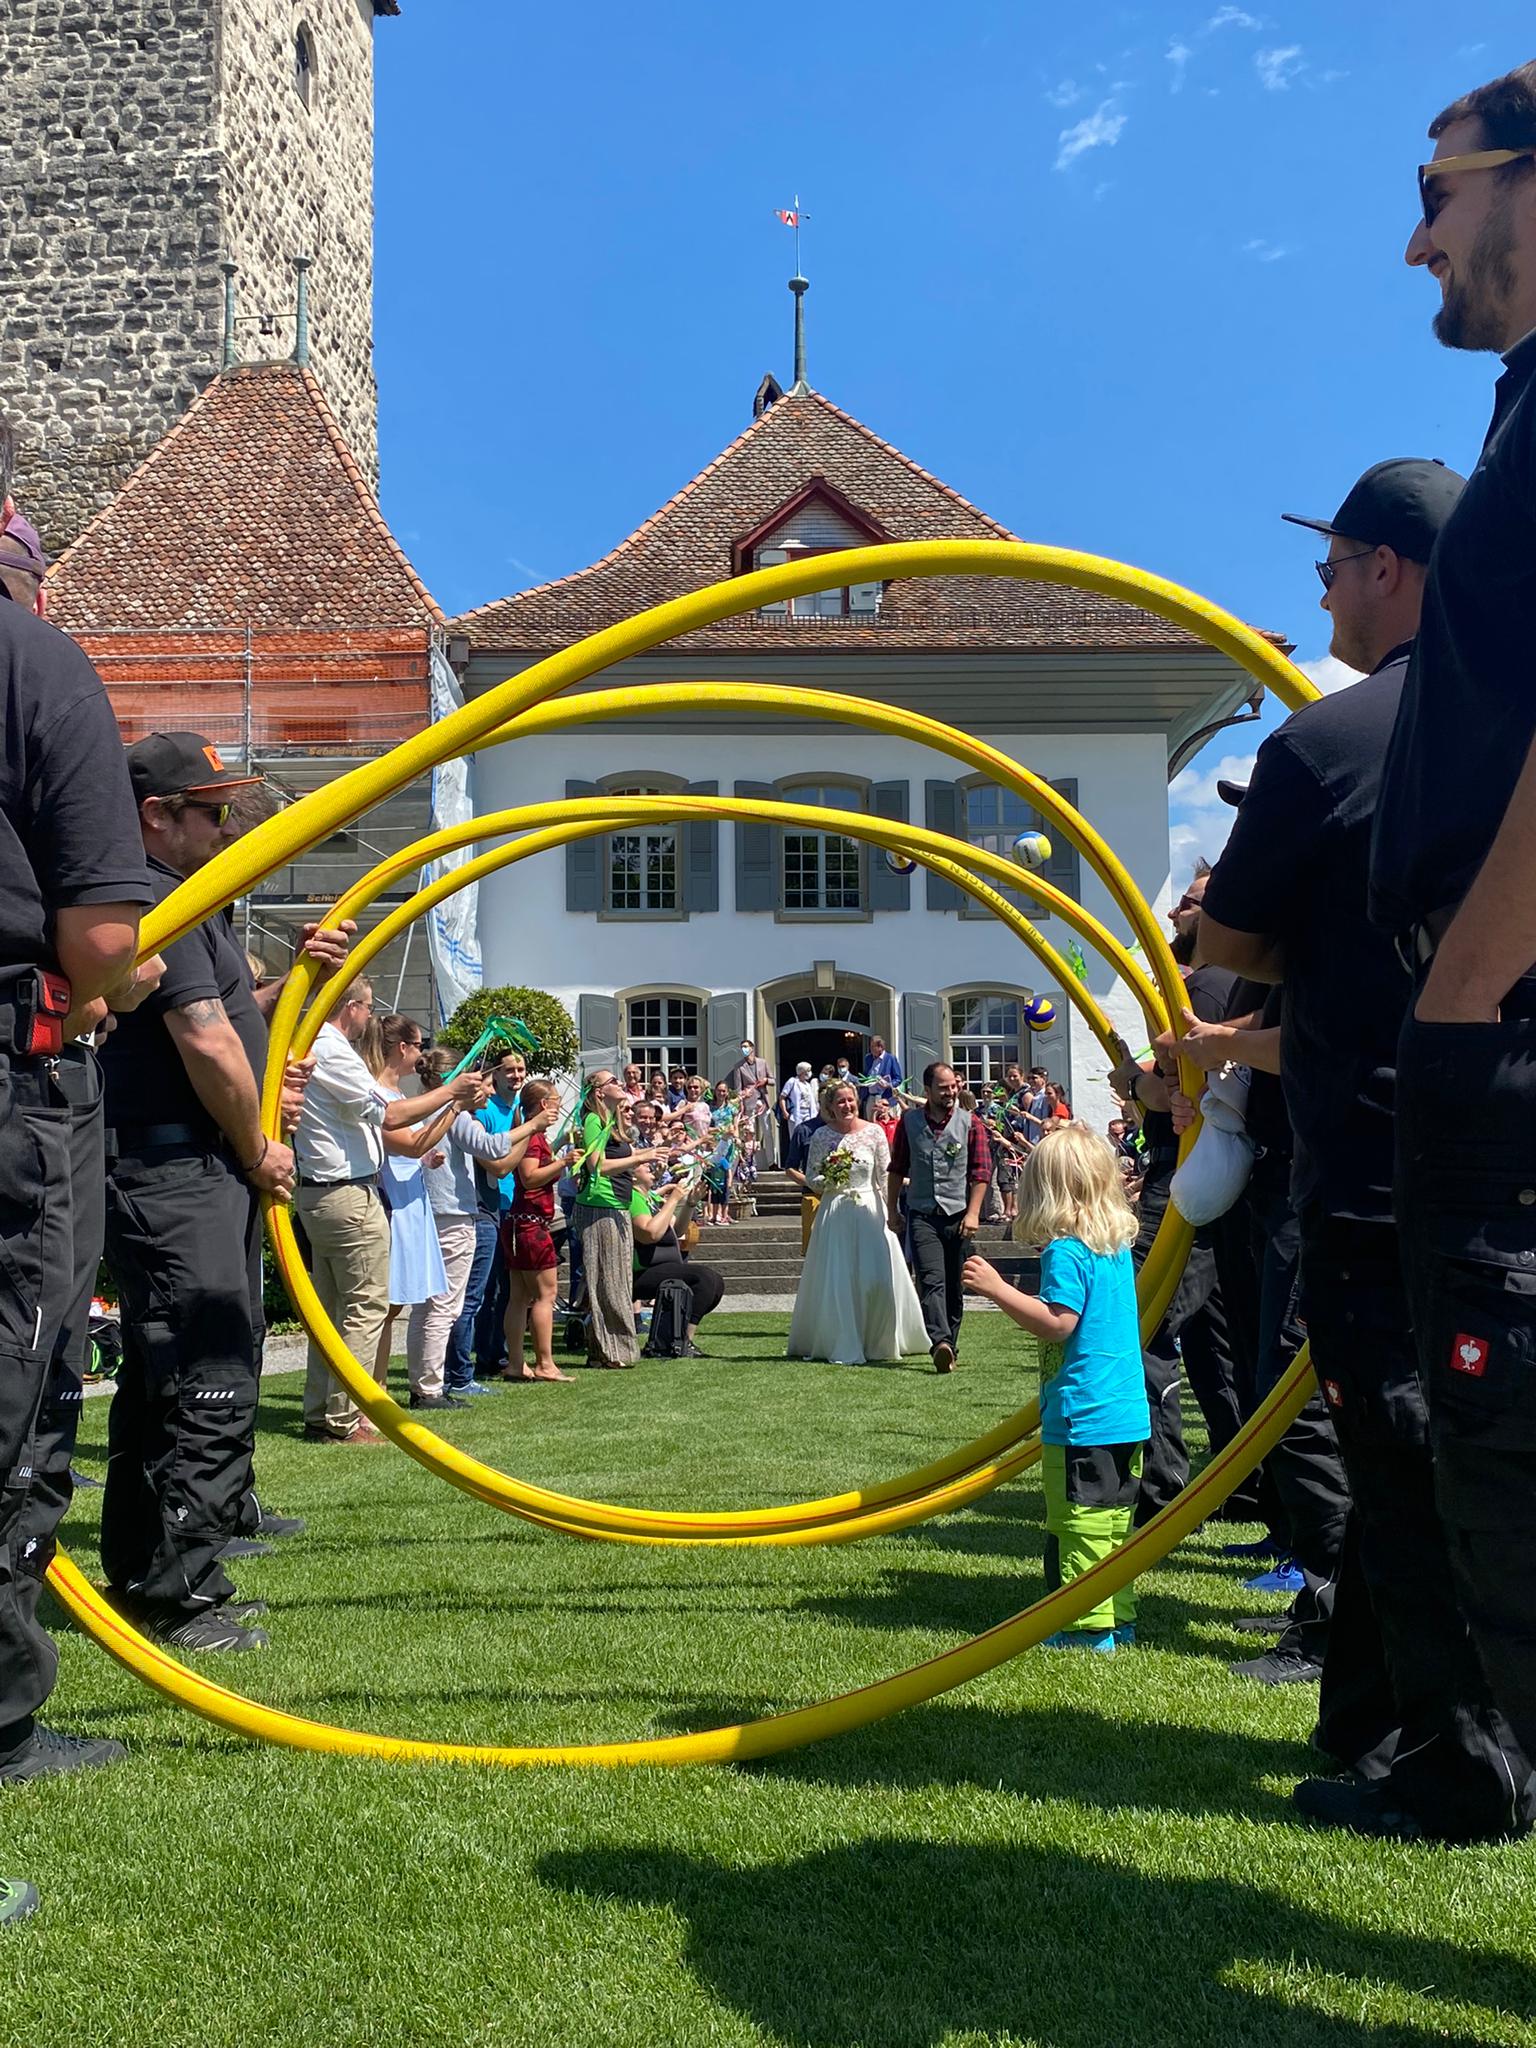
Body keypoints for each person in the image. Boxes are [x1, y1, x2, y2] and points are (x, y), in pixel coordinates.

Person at [1202, 448, 1534, 1842]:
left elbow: (1225, 959)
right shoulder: (1505, 727)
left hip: (1375, 1177)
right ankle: (1397, 1731)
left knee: (1404, 1466)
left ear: (1390, 569)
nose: (1321, 585)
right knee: (1481, 1458)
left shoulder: (1324, 746)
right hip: (1500, 1150)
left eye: (1334, 561)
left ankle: (1468, 1765)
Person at [1361, 61, 1536, 1814]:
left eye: (1437, 192)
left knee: (1510, 1456)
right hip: (1490, 1007)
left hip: (1506, 1026)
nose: (1416, 243)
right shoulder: (1515, 415)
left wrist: (1467, 996)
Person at [97, 733, 353, 1654]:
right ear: (156, 817)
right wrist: (257, 1148)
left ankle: (150, 1568)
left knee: (176, 1373)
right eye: (212, 809)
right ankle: (178, 1593)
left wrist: (303, 977)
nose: (227, 823)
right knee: (204, 1376)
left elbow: (229, 1010)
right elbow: (207, 1042)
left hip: (188, 1168)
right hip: (180, 1169)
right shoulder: (158, 899)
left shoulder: (189, 905)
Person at [0, 586, 159, 1786]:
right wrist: (135, 967)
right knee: (19, 1379)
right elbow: (102, 947)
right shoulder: (38, 665)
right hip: (18, 1075)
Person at [965, 1123, 1149, 1653]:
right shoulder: (1113, 1247)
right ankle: (1120, 1618)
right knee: (1114, 1525)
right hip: (1125, 1413)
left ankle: (1085, 1628)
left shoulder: (1066, 1251)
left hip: (1083, 1415)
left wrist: (998, 1290)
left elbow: (1058, 1323)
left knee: (1078, 1523)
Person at [294, 975, 487, 1443]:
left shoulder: (325, 1047)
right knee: (365, 1308)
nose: (371, 1016)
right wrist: (451, 1093)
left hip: (331, 1190)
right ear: (351, 1006)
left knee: (335, 1309)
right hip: (345, 1193)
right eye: (368, 1006)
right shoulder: (334, 1049)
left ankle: (323, 1412)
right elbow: (394, 1117)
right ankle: (345, 1418)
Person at [411, 1047, 546, 1402]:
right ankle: (437, 1385)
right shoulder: (452, 1111)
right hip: (453, 1213)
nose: (485, 1089)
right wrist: (531, 1126)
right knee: (449, 1305)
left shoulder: (427, 1106)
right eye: (481, 1081)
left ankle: (427, 1383)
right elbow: (490, 1149)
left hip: (437, 1211)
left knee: (430, 1305)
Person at [789, 1081, 927, 1366]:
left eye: (850, 1100)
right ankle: (840, 1339)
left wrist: (894, 1208)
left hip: (870, 1208)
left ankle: (878, 1340)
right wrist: (830, 1175)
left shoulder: (874, 1132)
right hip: (835, 1210)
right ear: (829, 1107)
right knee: (838, 1278)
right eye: (840, 1101)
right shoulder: (820, 1136)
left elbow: (885, 1173)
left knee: (875, 1277)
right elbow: (812, 1179)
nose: (847, 1106)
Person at [363, 1014, 460, 1410]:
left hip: (407, 1197)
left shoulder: (397, 1094)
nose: (421, 1054)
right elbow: (412, 1143)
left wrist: (423, 1161)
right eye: (418, 1045)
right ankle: (374, 1390)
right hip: (393, 1204)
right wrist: (453, 1105)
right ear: (401, 1048)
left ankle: (379, 1388)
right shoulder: (378, 1094)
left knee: (393, 1304)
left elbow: (411, 1150)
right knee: (383, 1306)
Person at [887, 1062, 991, 1373]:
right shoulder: (910, 1122)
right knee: (931, 1281)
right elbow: (897, 1168)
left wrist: (973, 1213)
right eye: (943, 1087)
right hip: (922, 1213)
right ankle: (940, 1342)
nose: (950, 1092)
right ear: (928, 1090)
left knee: (954, 1286)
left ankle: (950, 1346)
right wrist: (892, 1209)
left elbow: (981, 1172)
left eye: (954, 1086)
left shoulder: (971, 1123)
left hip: (958, 1214)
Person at [574, 1070, 668, 1368]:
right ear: (599, 1092)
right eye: (612, 1081)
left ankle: (609, 1350)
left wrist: (649, 1153)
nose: (619, 1084)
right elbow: (596, 1164)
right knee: (609, 1281)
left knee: (616, 1280)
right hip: (600, 1205)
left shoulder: (611, 1122)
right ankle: (614, 1352)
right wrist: (639, 1158)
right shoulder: (593, 1119)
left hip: (617, 1205)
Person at [499, 1079, 576, 1382]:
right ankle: (545, 1363)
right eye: (556, 1100)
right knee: (546, 1295)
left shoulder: (534, 1136)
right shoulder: (532, 1137)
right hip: (532, 1226)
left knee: (518, 1297)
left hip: (519, 1224)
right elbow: (529, 1177)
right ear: (544, 1105)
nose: (559, 1105)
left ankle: (516, 1363)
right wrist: (564, 1163)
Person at [468, 1049, 528, 1380]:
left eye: (520, 1069)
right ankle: (485, 1357)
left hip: (514, 1205)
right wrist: (529, 1131)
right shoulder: (486, 1110)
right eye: (509, 1070)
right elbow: (494, 1158)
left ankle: (499, 1353)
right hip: (492, 1204)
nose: (516, 1075)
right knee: (488, 1288)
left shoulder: (518, 1109)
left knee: (508, 1288)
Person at [630, 1160, 726, 1354]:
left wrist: (690, 1203)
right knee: (703, 1277)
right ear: (632, 1176)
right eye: (643, 1164)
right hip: (642, 1272)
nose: (650, 1166)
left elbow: (677, 1229)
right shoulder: (633, 1198)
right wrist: (673, 1200)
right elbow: (650, 1234)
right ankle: (684, 1341)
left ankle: (679, 1336)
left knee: (716, 1282)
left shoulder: (650, 1199)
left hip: (665, 1266)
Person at [726, 1038, 774, 1166]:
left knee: (768, 1131)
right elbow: (737, 1088)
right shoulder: (738, 1067)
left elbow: (773, 1080)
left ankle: (771, 1161)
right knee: (749, 1132)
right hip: (749, 1101)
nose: (744, 1049)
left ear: (752, 1048)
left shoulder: (762, 1063)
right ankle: (749, 1161)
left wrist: (765, 1080)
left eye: (746, 1046)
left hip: (763, 1100)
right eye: (742, 1047)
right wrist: (743, 1095)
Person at [704, 1080, 739, 1226]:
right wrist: (719, 1130)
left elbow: (735, 1125)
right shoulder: (710, 1109)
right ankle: (713, 1213)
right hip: (714, 1144)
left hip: (729, 1145)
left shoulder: (732, 1108)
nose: (721, 1093)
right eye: (719, 1090)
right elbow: (706, 1127)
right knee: (714, 1177)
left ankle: (725, 1213)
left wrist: (736, 1137)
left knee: (727, 1177)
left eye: (724, 1091)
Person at [779, 1061, 819, 1172]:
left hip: (808, 1115)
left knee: (808, 1139)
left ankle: (805, 1164)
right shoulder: (792, 1082)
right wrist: (784, 1111)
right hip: (796, 1115)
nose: (809, 1073)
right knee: (796, 1139)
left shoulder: (808, 1084)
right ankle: (794, 1164)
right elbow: (782, 1097)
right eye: (807, 1071)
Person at [860, 1033, 903, 1108]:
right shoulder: (868, 1058)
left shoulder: (890, 1059)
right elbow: (865, 1075)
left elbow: (898, 1079)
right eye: (870, 1046)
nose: (871, 1049)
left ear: (880, 1047)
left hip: (884, 1098)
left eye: (873, 1046)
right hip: (871, 1097)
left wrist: (888, 1084)